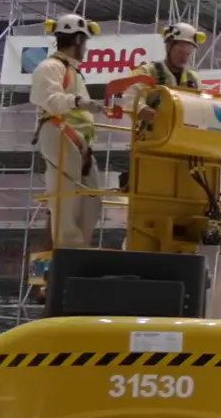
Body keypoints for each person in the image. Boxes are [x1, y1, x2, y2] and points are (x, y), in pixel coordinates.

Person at [31, 14, 101, 250]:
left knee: (91, 198)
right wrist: (79, 102)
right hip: (59, 133)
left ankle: (80, 247)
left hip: (78, 141)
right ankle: (68, 250)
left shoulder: (73, 71)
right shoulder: (50, 67)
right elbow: (49, 100)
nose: (86, 49)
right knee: (66, 198)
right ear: (79, 39)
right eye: (85, 43)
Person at [109, 22, 206, 122]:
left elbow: (205, 107)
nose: (184, 57)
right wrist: (157, 117)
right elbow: (131, 100)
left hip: (185, 135)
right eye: (181, 51)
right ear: (168, 47)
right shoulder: (147, 72)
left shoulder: (194, 79)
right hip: (152, 136)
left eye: (188, 53)